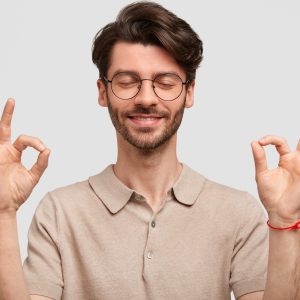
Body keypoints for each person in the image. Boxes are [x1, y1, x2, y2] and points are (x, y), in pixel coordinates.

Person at [0, 2, 299, 300]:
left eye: (165, 83)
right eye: (127, 82)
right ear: (103, 92)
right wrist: (2, 212)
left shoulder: (238, 213)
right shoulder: (58, 213)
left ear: (189, 92)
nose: (146, 98)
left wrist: (285, 219)